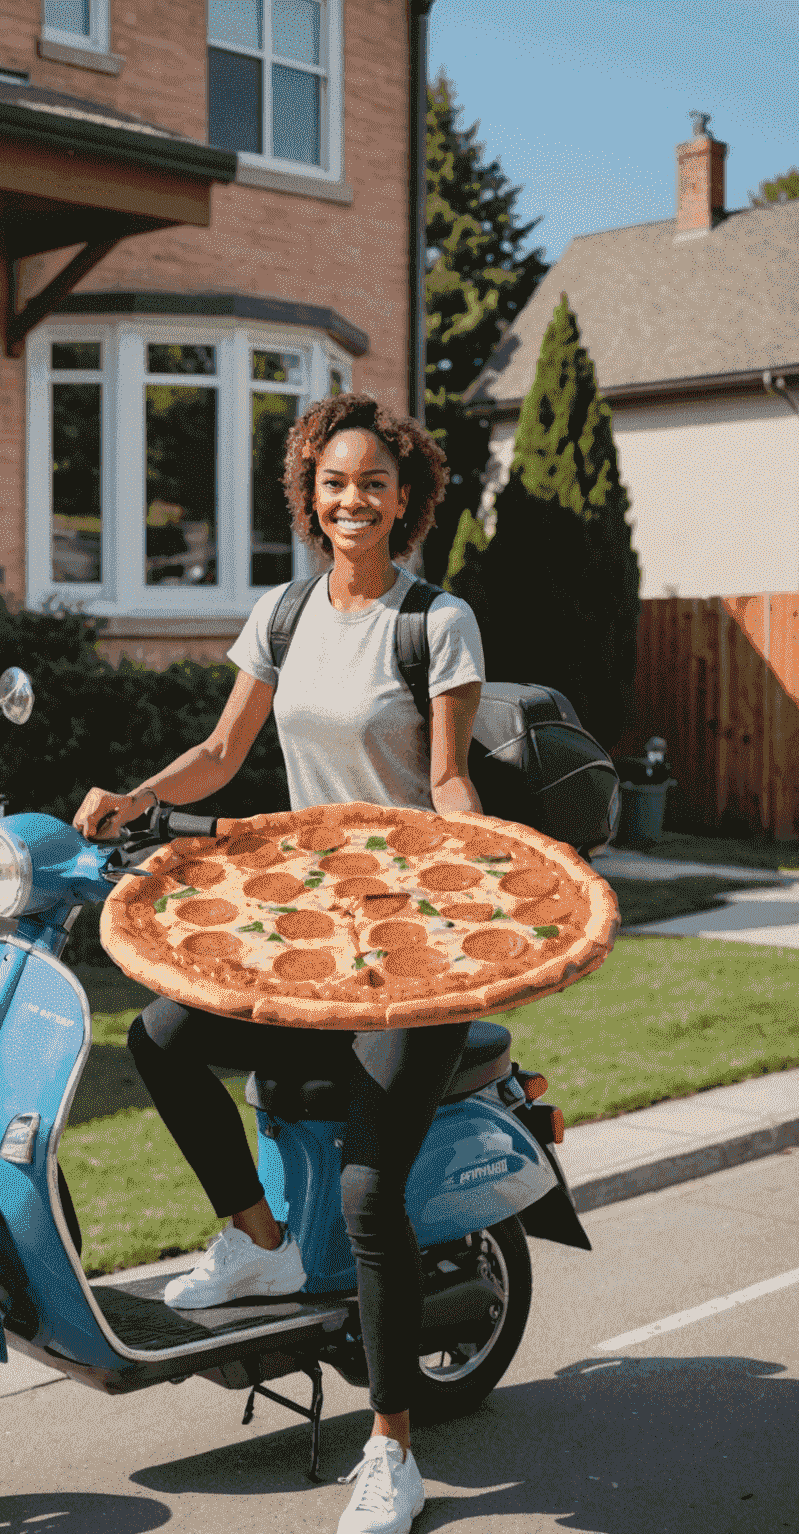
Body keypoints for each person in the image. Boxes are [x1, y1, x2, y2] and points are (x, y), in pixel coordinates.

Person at [73, 393, 484, 1534]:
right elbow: (222, 750)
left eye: (374, 485)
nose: (352, 500)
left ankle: (390, 1450)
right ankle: (256, 1241)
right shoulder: (287, 611)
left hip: (410, 955)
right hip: (313, 941)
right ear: (310, 492)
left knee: (366, 1193)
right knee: (159, 1037)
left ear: (408, 501)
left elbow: (447, 781)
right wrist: (137, 798)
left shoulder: (437, 623)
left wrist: (479, 873)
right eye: (334, 482)